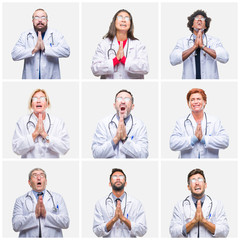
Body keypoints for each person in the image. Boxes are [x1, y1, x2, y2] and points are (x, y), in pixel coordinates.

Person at [11, 8, 70, 79]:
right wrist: (34, 50)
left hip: (52, 79)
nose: (40, 20)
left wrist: (45, 49)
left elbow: (66, 52)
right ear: (32, 21)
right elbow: (14, 55)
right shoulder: (25, 35)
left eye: (43, 17)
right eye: (36, 17)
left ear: (47, 20)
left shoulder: (56, 34)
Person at [169, 88, 229, 158]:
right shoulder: (181, 122)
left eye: (198, 99)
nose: (195, 102)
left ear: (204, 102)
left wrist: (204, 139)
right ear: (188, 104)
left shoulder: (214, 121)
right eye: (192, 100)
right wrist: (193, 139)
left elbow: (225, 142)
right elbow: (173, 144)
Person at [169, 168, 229, 238]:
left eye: (200, 180)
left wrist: (204, 221)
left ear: (205, 185)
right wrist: (193, 221)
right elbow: (173, 232)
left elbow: (224, 232)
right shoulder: (180, 206)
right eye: (193, 180)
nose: (197, 183)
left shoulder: (217, 204)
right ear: (188, 187)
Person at [170, 10, 229, 79]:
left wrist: (203, 47)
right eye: (197, 18)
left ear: (206, 26)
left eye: (202, 19)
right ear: (192, 25)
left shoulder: (214, 41)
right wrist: (194, 47)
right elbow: (173, 60)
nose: (200, 20)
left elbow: (225, 58)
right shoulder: (182, 41)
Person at [91, 9, 149, 79]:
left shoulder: (138, 45)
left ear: (130, 24)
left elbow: (145, 68)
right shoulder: (104, 44)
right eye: (120, 17)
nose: (123, 20)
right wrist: (115, 60)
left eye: (127, 18)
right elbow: (95, 69)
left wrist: (124, 60)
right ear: (114, 22)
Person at [12, 168, 70, 237]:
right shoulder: (20, 200)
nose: (39, 178)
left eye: (42, 175)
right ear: (29, 182)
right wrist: (35, 215)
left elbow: (66, 223)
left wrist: (46, 214)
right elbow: (16, 225)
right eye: (35, 175)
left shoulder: (57, 198)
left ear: (46, 181)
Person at [12, 89, 70, 158]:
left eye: (42, 98)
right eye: (35, 98)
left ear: (47, 104)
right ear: (31, 104)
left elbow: (65, 148)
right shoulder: (22, 121)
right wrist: (35, 134)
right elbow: (16, 149)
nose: (38, 101)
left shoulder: (58, 122)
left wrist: (45, 135)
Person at [92, 89, 148, 158]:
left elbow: (143, 155)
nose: (123, 101)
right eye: (119, 99)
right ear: (114, 105)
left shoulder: (140, 125)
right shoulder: (103, 123)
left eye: (127, 99)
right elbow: (96, 154)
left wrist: (125, 138)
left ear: (132, 106)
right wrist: (116, 138)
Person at [93, 168, 147, 237]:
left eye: (121, 177)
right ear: (110, 184)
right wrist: (113, 220)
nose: (118, 179)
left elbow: (142, 231)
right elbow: (97, 231)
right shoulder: (100, 203)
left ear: (125, 183)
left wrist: (124, 219)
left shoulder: (136, 203)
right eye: (114, 177)